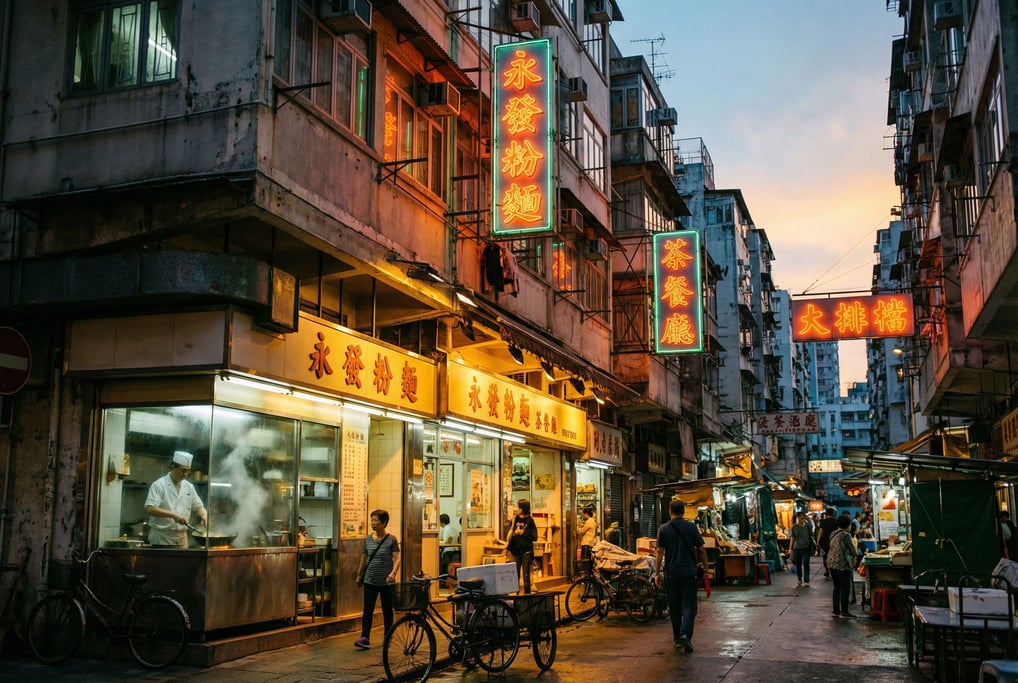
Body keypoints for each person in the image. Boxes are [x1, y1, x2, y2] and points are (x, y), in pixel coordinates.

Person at [655, 499, 707, 654]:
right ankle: (685, 634)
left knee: (675, 608)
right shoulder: (691, 527)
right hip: (689, 573)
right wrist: (706, 566)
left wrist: (657, 573)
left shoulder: (663, 529)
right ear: (684, 511)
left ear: (670, 511)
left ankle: (677, 639)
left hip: (671, 574)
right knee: (690, 606)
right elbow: (702, 549)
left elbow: (659, 552)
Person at [354, 509, 401, 649]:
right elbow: (364, 557)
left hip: (386, 581)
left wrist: (393, 573)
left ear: (384, 522)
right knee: (367, 609)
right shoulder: (368, 539)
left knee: (387, 609)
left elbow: (397, 557)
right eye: (372, 521)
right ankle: (365, 637)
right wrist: (359, 575)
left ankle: (388, 634)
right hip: (370, 579)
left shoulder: (391, 539)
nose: (373, 524)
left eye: (376, 521)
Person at [145, 450, 207, 547]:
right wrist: (174, 515)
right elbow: (151, 509)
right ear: (172, 467)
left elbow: (199, 507)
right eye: (183, 470)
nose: (186, 474)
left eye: (188, 471)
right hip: (162, 538)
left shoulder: (189, 487)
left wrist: (204, 515)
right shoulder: (159, 485)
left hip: (182, 539)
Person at [827, 513, 857, 619]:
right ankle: (844, 611)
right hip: (842, 564)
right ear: (848, 525)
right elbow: (853, 550)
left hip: (831, 563)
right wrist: (855, 556)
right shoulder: (846, 535)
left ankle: (836, 610)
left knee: (837, 588)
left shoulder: (833, 533)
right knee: (845, 588)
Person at [507, 499, 538, 593]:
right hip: (515, 550)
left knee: (526, 574)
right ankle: (515, 593)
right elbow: (511, 531)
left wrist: (524, 533)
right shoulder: (515, 518)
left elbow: (534, 537)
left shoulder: (530, 520)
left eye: (519, 507)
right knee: (515, 574)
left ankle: (527, 594)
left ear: (524, 508)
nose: (518, 509)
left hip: (526, 551)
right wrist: (515, 531)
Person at [787, 512, 813, 587]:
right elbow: (792, 538)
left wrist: (815, 544)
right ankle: (799, 579)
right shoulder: (794, 527)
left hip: (806, 547)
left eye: (803, 517)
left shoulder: (808, 526)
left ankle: (806, 580)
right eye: (801, 517)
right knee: (798, 564)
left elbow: (811, 536)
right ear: (797, 517)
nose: (802, 519)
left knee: (806, 563)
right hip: (797, 548)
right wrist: (790, 548)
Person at [816, 508, 838, 579]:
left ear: (826, 514)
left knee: (825, 557)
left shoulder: (823, 522)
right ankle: (833, 571)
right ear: (833, 513)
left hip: (825, 541)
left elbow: (821, 532)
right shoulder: (836, 521)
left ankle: (827, 572)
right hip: (834, 541)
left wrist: (818, 541)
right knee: (834, 556)